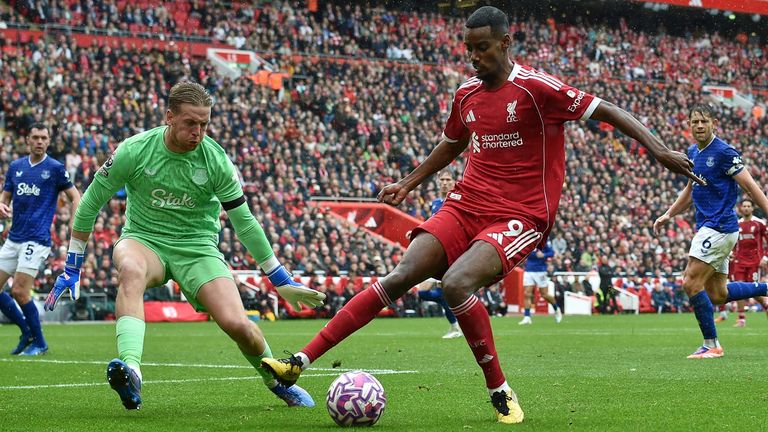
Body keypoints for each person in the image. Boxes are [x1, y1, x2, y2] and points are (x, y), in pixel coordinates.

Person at [262, 6, 701, 425]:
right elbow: (452, 143)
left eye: (484, 47)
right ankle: (297, 363)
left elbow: (607, 109)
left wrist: (659, 149)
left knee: (456, 283)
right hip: (466, 203)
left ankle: (499, 390)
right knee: (402, 274)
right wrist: (408, 183)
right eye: (469, 48)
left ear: (506, 42)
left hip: (523, 214)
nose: (474, 56)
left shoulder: (536, 88)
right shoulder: (466, 94)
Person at [44, 82, 326, 409]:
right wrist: (72, 265)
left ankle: (276, 380)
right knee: (131, 271)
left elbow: (244, 221)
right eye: (191, 123)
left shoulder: (216, 160)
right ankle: (131, 370)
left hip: (198, 249)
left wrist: (278, 278)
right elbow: (90, 203)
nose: (198, 132)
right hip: (144, 240)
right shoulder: (134, 150)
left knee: (238, 325)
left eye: (205, 124)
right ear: (169, 117)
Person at [654, 104, 768, 359]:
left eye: (704, 121)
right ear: (690, 125)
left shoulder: (725, 152)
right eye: (695, 122)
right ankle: (765, 288)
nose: (699, 126)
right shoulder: (692, 152)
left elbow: (750, 185)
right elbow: (689, 191)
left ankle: (711, 344)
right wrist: (669, 214)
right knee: (718, 295)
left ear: (714, 122)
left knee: (691, 282)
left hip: (719, 227)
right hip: (711, 228)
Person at [0, 123, 80, 355]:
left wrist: (75, 222)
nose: (39, 141)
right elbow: (4, 196)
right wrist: (2, 205)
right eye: (35, 137)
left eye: (43, 138)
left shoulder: (54, 168)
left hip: (36, 239)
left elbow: (75, 196)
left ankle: (40, 342)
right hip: (14, 238)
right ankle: (27, 331)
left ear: (48, 141)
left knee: (20, 292)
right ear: (27, 140)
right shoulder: (16, 167)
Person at [416, 169, 462, 339]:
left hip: (450, 253)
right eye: (441, 179)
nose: (444, 182)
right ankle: (456, 325)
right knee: (423, 293)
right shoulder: (435, 203)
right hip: (436, 253)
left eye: (447, 179)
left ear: (453, 182)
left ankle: (457, 327)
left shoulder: (457, 200)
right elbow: (432, 224)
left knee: (448, 292)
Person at [727, 198, 768, 327]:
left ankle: (765, 304)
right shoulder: (736, 224)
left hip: (755, 262)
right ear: (740, 208)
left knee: (753, 289)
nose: (746, 208)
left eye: (748, 206)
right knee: (738, 288)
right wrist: (731, 253)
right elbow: (733, 242)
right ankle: (741, 318)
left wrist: (765, 257)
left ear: (752, 208)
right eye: (744, 206)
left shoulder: (759, 223)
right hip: (739, 262)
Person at [519, 241, 561, 324]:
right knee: (527, 293)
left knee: (544, 294)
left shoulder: (544, 241)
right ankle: (527, 316)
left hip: (540, 270)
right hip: (529, 270)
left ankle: (557, 309)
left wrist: (544, 255)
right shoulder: (528, 240)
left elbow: (551, 253)